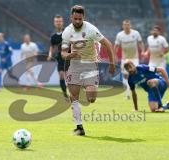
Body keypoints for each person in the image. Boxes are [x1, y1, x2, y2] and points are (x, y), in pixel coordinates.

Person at [61, 5, 115, 136]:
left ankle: (88, 87)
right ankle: (79, 127)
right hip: (74, 66)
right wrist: (69, 55)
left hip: (90, 65)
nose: (78, 21)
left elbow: (108, 44)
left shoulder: (91, 29)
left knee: (91, 98)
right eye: (75, 19)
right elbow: (63, 52)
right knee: (74, 97)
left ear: (83, 17)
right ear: (71, 17)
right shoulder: (67, 32)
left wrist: (112, 64)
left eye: (80, 19)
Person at [114, 20, 145, 100]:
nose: (126, 26)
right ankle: (127, 93)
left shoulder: (136, 33)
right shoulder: (120, 35)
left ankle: (133, 90)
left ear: (130, 26)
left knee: (134, 74)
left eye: (128, 25)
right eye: (125, 25)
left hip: (134, 58)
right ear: (123, 26)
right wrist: (114, 56)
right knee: (125, 75)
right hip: (125, 59)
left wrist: (143, 51)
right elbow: (116, 46)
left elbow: (140, 43)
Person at [47, 15, 69, 98]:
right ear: (54, 23)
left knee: (69, 76)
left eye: (60, 21)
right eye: (56, 21)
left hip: (69, 56)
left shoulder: (67, 32)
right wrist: (50, 55)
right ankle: (65, 94)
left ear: (62, 22)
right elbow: (52, 46)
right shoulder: (54, 36)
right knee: (61, 75)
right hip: (60, 57)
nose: (58, 23)